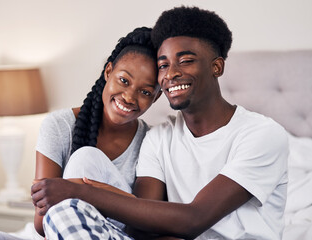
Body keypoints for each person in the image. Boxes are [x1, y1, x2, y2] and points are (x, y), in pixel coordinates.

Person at [31, 6, 289, 240]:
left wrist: (81, 192)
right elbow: (140, 226)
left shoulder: (261, 134)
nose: (171, 73)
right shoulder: (159, 138)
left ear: (217, 67)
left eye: (185, 60)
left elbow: (194, 219)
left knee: (67, 209)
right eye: (164, 65)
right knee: (52, 208)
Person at [0, 27, 161, 240]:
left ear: (156, 97)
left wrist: (82, 191)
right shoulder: (60, 125)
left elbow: (143, 224)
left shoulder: (152, 140)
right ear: (108, 72)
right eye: (124, 80)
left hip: (108, 235)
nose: (129, 97)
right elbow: (41, 224)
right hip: (50, 233)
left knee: (85, 158)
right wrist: (98, 193)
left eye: (145, 92)